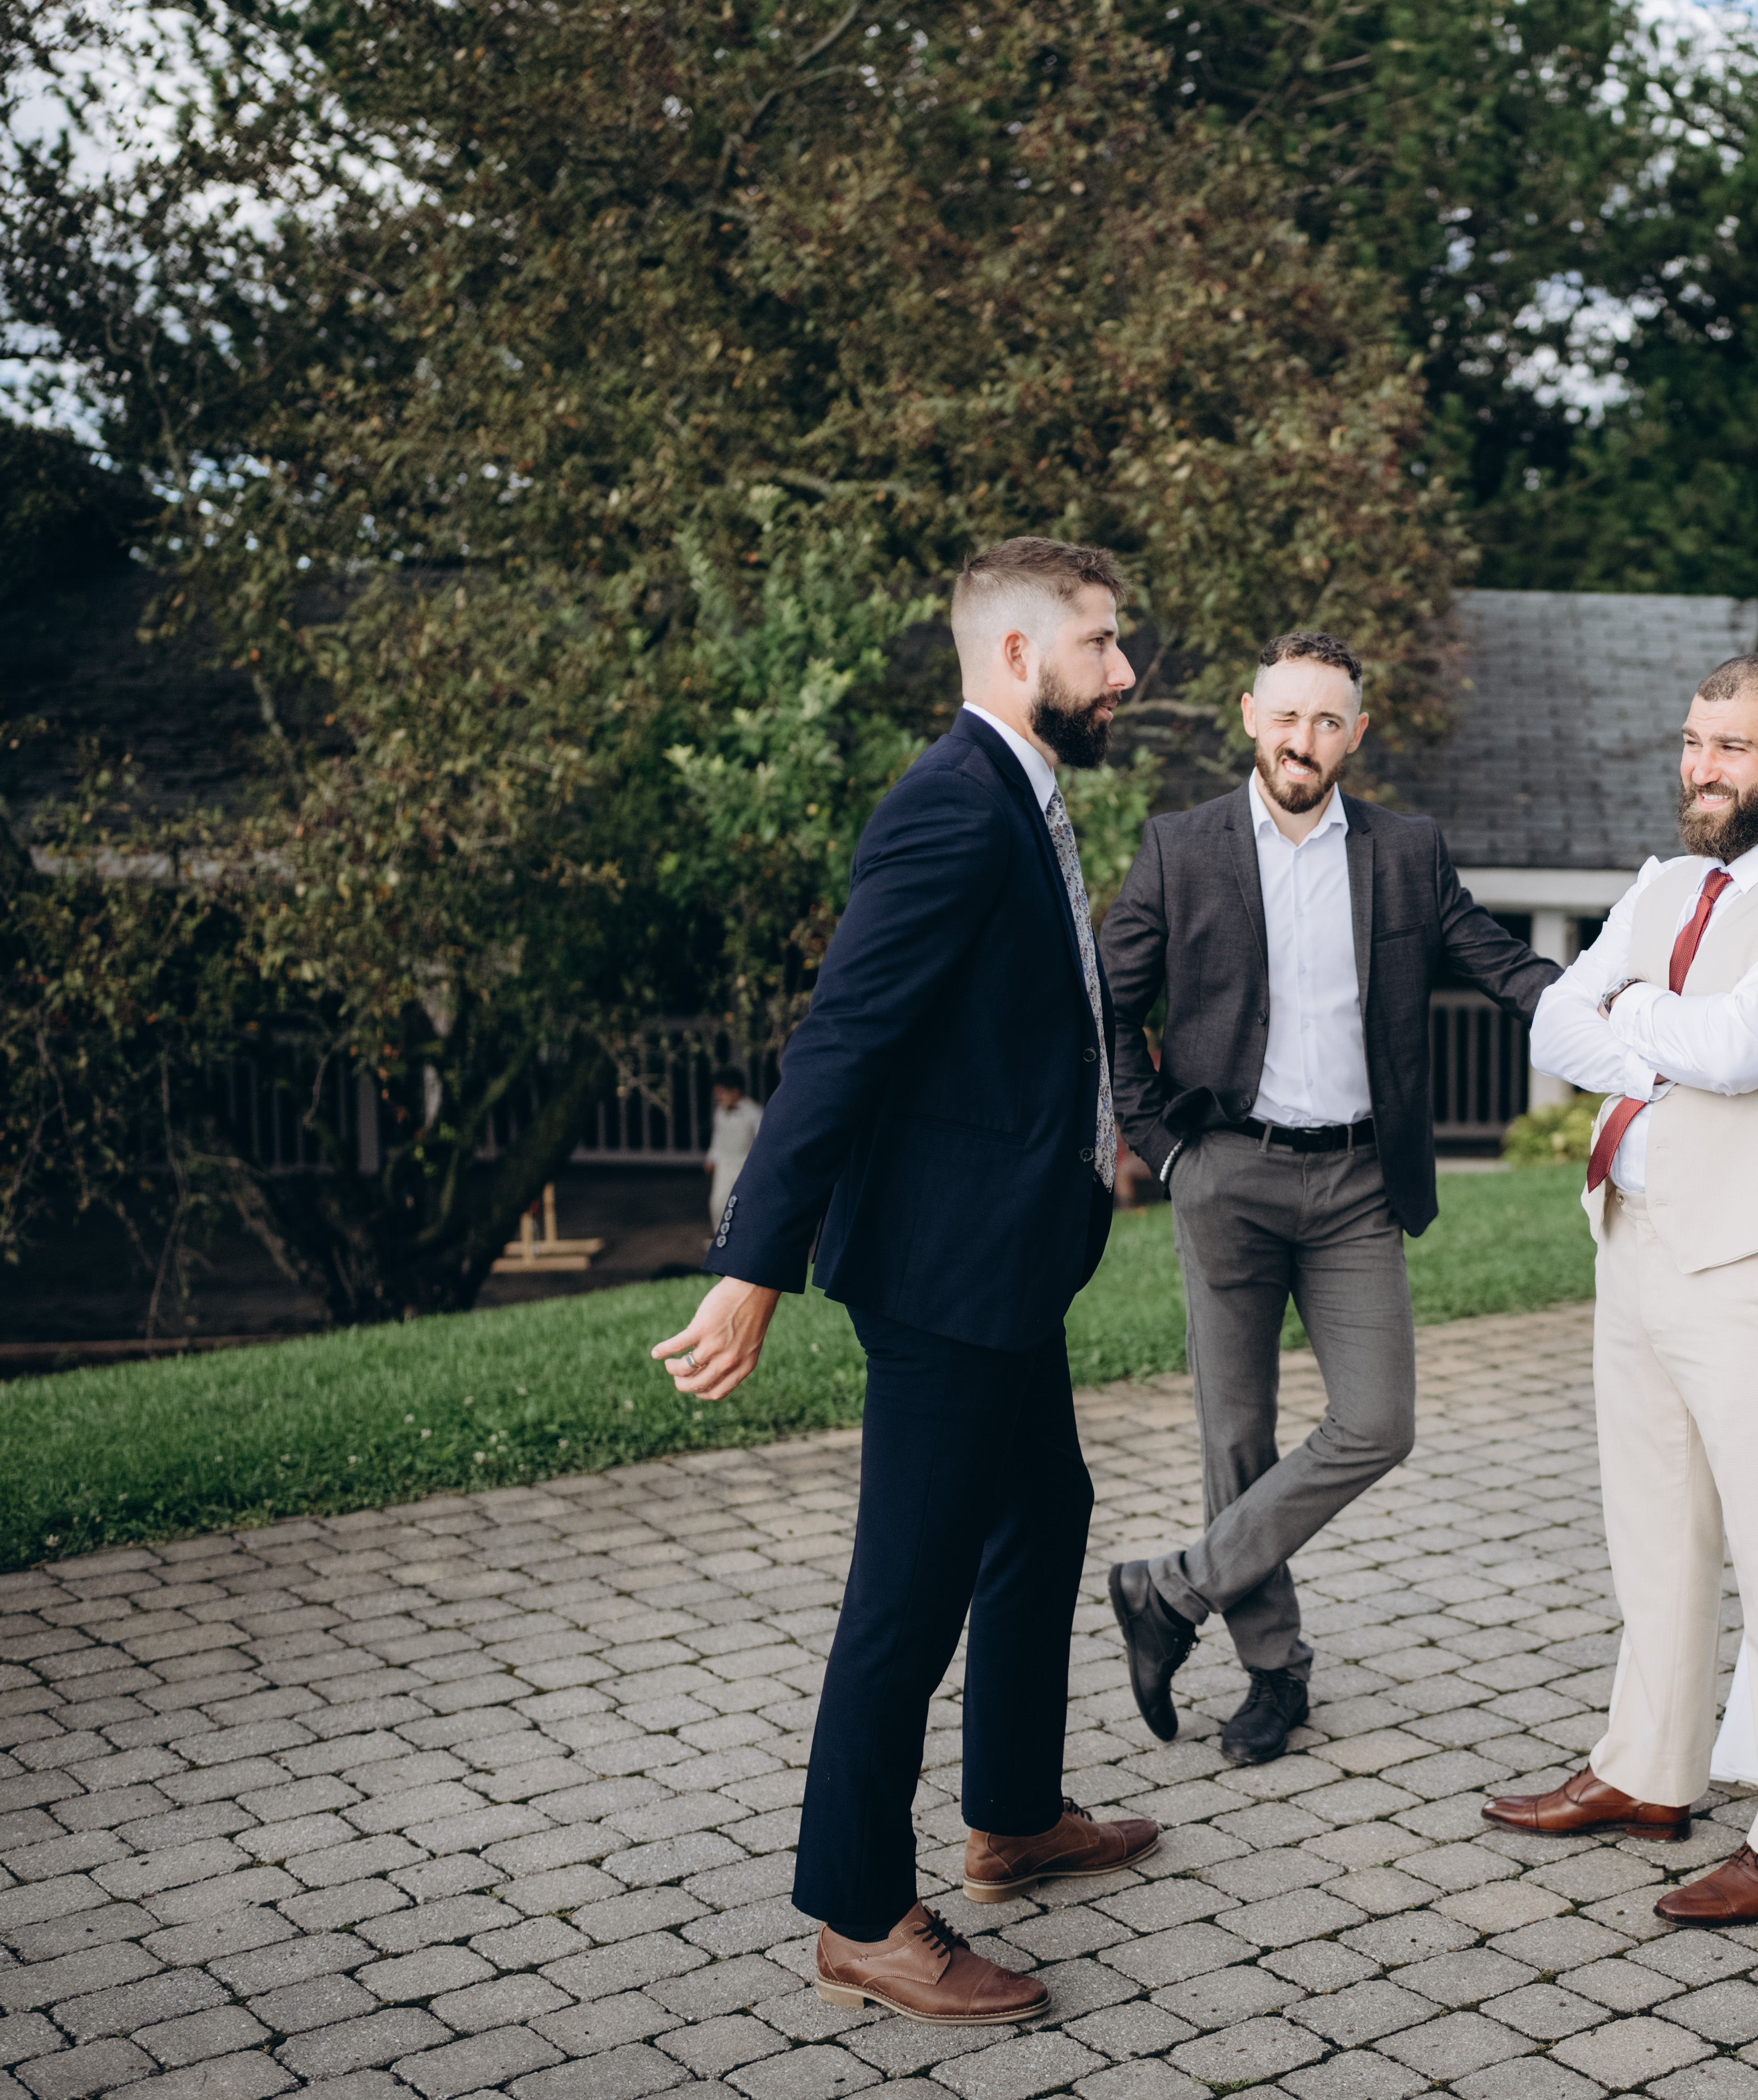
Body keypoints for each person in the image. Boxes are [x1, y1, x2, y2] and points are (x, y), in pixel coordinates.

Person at [650, 537, 1160, 2029]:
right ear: (1017, 654)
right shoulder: (951, 806)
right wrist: (752, 1263)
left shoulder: (1018, 795)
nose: (1125, 672)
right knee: (907, 1594)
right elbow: (841, 1043)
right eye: (1102, 643)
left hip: (1007, 1251)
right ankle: (862, 1913)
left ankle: (1013, 1815)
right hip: (945, 1271)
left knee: (1046, 1507)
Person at [1495, 650, 1758, 1927]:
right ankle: (1646, 1771)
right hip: (1637, 1241)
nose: (1701, 768)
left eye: (1731, 747)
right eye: (1692, 741)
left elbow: (1736, 1050)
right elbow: (1551, 1025)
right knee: (1653, 1536)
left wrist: (1633, 1013)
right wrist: (1652, 1030)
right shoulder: (1664, 882)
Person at [1097, 631, 1559, 1765]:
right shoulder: (1179, 848)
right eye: (1285, 715)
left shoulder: (1406, 852)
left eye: (1327, 720)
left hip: (1358, 1183)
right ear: (1248, 715)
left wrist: (1624, 1016)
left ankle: (1171, 1590)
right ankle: (1273, 1669)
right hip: (1226, 1173)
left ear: (1356, 733)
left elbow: (1503, 964)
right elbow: (1104, 1007)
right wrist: (1165, 1148)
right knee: (1234, 1433)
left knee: (1378, 1421)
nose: (1302, 739)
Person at [703, 1067, 762, 1252]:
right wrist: (712, 1158)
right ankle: (720, 1236)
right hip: (724, 1163)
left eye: (721, 1093)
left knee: (743, 1202)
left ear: (735, 1092)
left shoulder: (754, 1113)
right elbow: (717, 1137)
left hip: (744, 1164)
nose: (718, 1098)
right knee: (718, 1201)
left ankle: (743, 1239)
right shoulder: (720, 1112)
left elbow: (761, 1140)